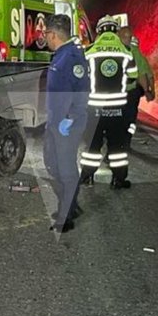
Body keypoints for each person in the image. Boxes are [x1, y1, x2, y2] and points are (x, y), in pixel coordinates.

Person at [42, 13, 90, 232]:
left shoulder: (71, 57)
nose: (46, 39)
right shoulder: (61, 55)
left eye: (46, 35)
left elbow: (81, 93)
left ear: (52, 35)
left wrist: (70, 119)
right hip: (55, 122)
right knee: (52, 163)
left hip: (67, 124)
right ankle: (72, 205)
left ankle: (66, 217)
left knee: (66, 169)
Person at [80, 15, 137, 189]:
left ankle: (87, 177)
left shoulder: (88, 51)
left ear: (99, 31)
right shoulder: (126, 52)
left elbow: (81, 76)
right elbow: (133, 77)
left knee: (92, 144)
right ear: (115, 30)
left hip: (94, 107)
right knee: (117, 146)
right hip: (117, 108)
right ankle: (118, 179)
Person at [117, 26, 155, 146]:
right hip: (127, 93)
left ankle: (122, 141)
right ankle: (124, 141)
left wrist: (148, 90)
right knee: (128, 119)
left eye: (128, 37)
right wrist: (148, 91)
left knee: (123, 119)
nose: (127, 40)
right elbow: (145, 74)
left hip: (124, 92)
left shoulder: (131, 51)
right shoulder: (133, 51)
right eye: (125, 37)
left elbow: (143, 75)